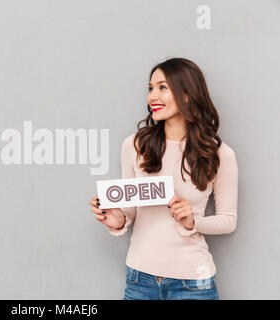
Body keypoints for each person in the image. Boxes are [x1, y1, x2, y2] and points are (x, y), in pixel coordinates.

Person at [89, 58, 238, 300]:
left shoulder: (219, 154)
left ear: (187, 94)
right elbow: (131, 211)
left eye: (162, 87)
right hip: (140, 280)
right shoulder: (134, 145)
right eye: (150, 88)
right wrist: (116, 220)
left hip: (193, 284)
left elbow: (228, 221)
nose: (152, 97)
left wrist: (193, 222)